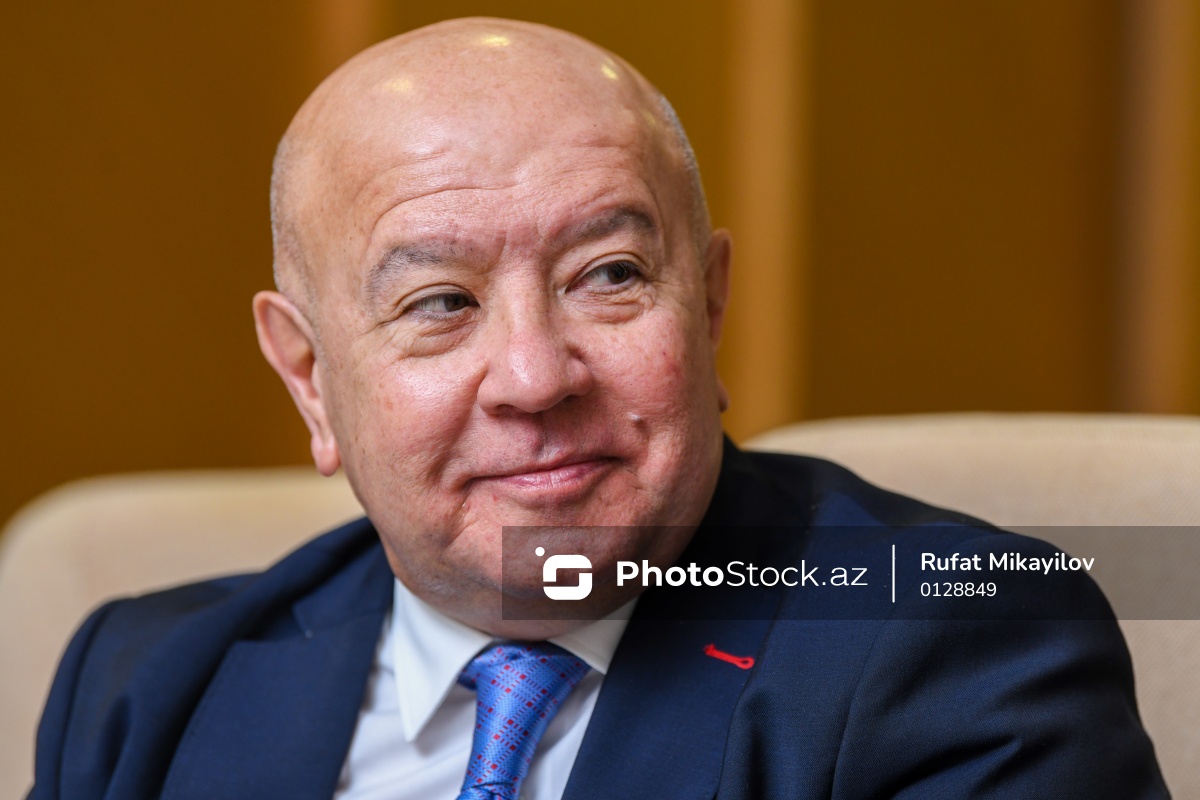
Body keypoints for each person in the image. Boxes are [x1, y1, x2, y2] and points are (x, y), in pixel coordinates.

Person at [31, 17, 1167, 800]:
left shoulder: (967, 643)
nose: (536, 376)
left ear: (707, 307)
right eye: (440, 302)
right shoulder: (147, 685)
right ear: (309, 377)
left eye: (609, 275)